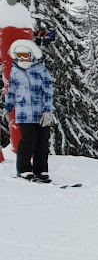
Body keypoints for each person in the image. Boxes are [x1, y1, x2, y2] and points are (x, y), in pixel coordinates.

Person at [5, 38, 55, 183]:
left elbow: (48, 92)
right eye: (19, 56)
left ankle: (41, 170)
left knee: (42, 142)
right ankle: (24, 169)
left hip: (40, 113)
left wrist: (47, 111)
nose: (22, 59)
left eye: (25, 55)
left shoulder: (41, 71)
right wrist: (8, 109)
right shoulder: (15, 72)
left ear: (31, 55)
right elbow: (11, 92)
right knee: (28, 141)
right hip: (24, 114)